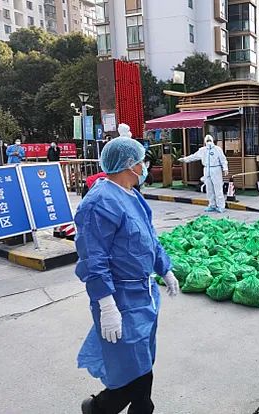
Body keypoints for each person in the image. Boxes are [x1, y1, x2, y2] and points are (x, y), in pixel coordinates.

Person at [75, 137, 180, 414]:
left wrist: (165, 269)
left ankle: (100, 408)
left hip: (144, 295)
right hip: (120, 298)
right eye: (141, 161)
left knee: (141, 363)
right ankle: (99, 408)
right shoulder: (99, 203)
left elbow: (149, 238)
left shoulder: (132, 195)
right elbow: (93, 258)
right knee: (136, 373)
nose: (144, 166)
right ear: (128, 165)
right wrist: (106, 304)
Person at [179, 135, 228, 213]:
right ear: (205, 141)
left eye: (209, 140)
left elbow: (223, 159)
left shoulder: (217, 149)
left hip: (216, 169)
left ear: (212, 140)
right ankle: (212, 205)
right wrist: (185, 159)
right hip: (206, 169)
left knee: (218, 188)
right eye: (207, 140)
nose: (208, 142)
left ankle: (221, 206)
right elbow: (194, 156)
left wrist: (225, 168)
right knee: (209, 188)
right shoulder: (202, 150)